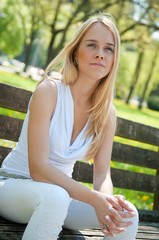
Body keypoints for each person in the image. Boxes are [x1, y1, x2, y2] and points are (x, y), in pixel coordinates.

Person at [0, 13, 138, 240]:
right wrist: (94, 199)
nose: (99, 54)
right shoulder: (50, 91)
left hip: (60, 198)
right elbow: (38, 168)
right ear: (75, 53)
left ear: (114, 59)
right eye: (92, 45)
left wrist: (108, 204)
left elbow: (102, 173)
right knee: (55, 197)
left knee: (127, 214)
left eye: (108, 49)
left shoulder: (106, 113)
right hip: (14, 187)